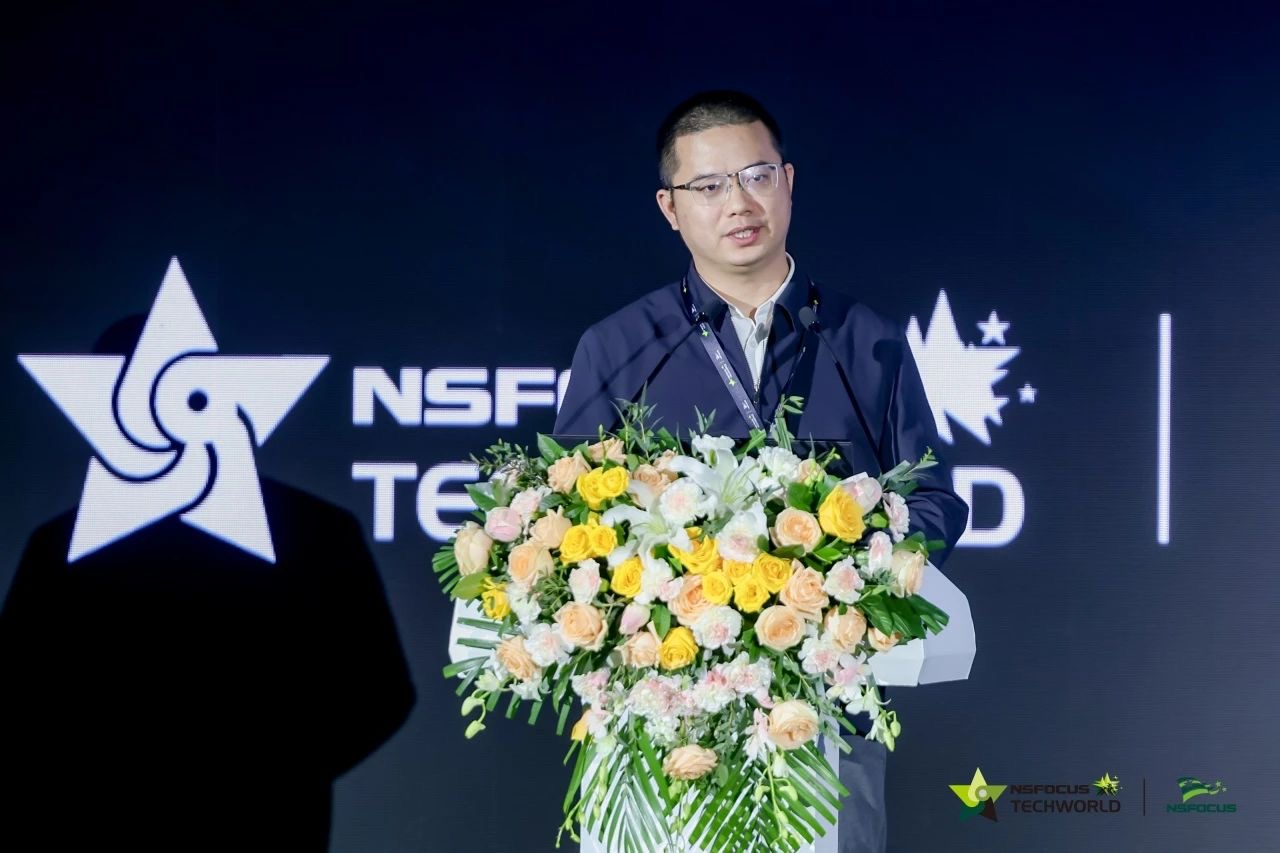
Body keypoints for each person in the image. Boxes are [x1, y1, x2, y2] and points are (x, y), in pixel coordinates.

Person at [554, 90, 969, 853]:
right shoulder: (617, 347)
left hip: (823, 711)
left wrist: (851, 568)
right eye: (709, 186)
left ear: (788, 181)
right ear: (670, 206)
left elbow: (934, 499)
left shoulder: (866, 339)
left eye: (756, 176)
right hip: (662, 724)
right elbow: (572, 528)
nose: (738, 203)